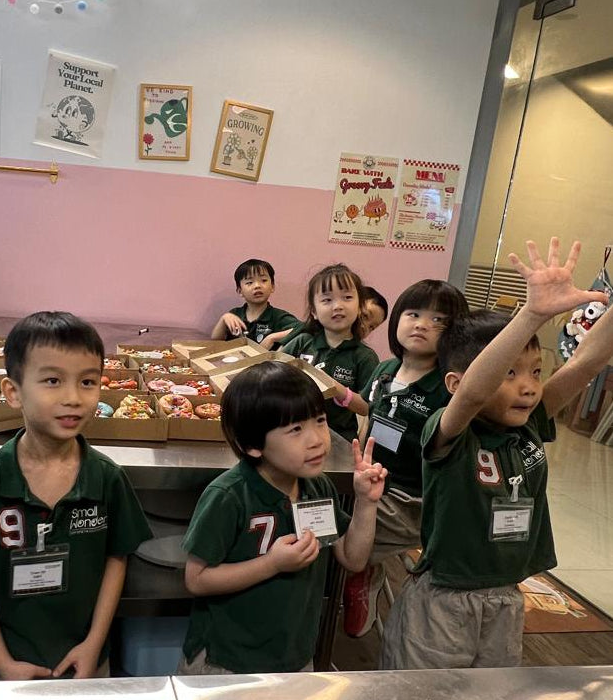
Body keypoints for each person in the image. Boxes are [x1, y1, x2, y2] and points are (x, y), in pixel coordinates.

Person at [381, 238, 613, 669]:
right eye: (509, 374)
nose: (528, 386)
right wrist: (532, 314)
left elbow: (585, 364)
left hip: (507, 594)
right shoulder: (451, 429)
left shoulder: (528, 422)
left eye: (536, 372)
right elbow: (472, 395)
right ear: (452, 383)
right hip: (444, 600)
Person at [0, 311, 152, 680]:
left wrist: (94, 644)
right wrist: (2, 662)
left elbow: (117, 559)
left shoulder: (107, 478)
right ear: (13, 392)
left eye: (87, 382)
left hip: (86, 662)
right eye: (52, 380)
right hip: (3, 666)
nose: (73, 398)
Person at [177, 361, 386, 675]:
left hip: (294, 655)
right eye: (295, 430)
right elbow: (197, 579)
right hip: (226, 659)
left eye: (319, 420)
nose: (316, 439)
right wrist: (272, 564)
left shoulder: (318, 486)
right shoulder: (229, 496)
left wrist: (366, 503)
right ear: (253, 445)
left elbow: (352, 559)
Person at [343, 279, 468, 638]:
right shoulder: (385, 369)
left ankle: (361, 573)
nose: (422, 324)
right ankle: (359, 570)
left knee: (340, 534)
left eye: (439, 320)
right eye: (413, 314)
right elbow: (368, 408)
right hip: (370, 479)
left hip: (408, 497)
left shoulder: (448, 387)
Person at [282, 263, 380, 442]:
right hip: (292, 432)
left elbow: (366, 407)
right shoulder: (302, 342)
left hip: (338, 438)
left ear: (359, 307)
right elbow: (272, 372)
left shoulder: (365, 356)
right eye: (327, 300)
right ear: (314, 311)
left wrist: (336, 388)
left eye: (347, 297)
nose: (338, 306)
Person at [211, 258, 302, 348]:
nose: (257, 286)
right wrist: (223, 319)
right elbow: (216, 341)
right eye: (250, 282)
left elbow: (305, 329)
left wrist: (272, 338)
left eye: (263, 280)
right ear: (240, 291)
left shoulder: (278, 317)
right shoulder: (235, 314)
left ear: (272, 286)